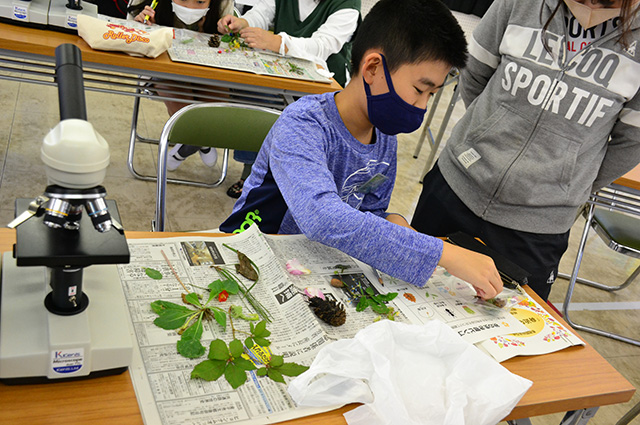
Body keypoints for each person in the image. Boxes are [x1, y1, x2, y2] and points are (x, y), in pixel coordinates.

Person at [220, 0, 503, 300]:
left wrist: (391, 222)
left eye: (431, 95)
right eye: (420, 90)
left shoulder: (383, 135)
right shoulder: (304, 124)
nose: (422, 106)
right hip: (253, 259)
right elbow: (322, 217)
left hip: (316, 267)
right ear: (372, 68)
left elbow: (368, 210)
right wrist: (444, 253)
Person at [411, 0, 640, 301]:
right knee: (407, 293)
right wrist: (485, 134)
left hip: (537, 227)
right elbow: (475, 73)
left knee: (505, 331)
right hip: (454, 186)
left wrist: (565, 184)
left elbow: (631, 141)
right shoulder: (519, 3)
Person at [217, 0, 361, 198]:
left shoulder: (347, 5)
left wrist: (277, 42)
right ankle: (251, 172)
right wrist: (244, 22)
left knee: (306, 131)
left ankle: (294, 184)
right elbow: (263, 12)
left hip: (323, 86)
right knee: (254, 94)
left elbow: (322, 45)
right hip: (283, 74)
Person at [127, 0, 235, 170]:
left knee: (216, 115)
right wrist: (143, 27)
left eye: (200, 1)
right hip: (163, 69)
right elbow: (126, 36)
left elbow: (230, 44)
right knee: (188, 118)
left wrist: (225, 30)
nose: (190, 7)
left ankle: (187, 147)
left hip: (208, 69)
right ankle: (200, 143)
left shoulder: (224, 3)